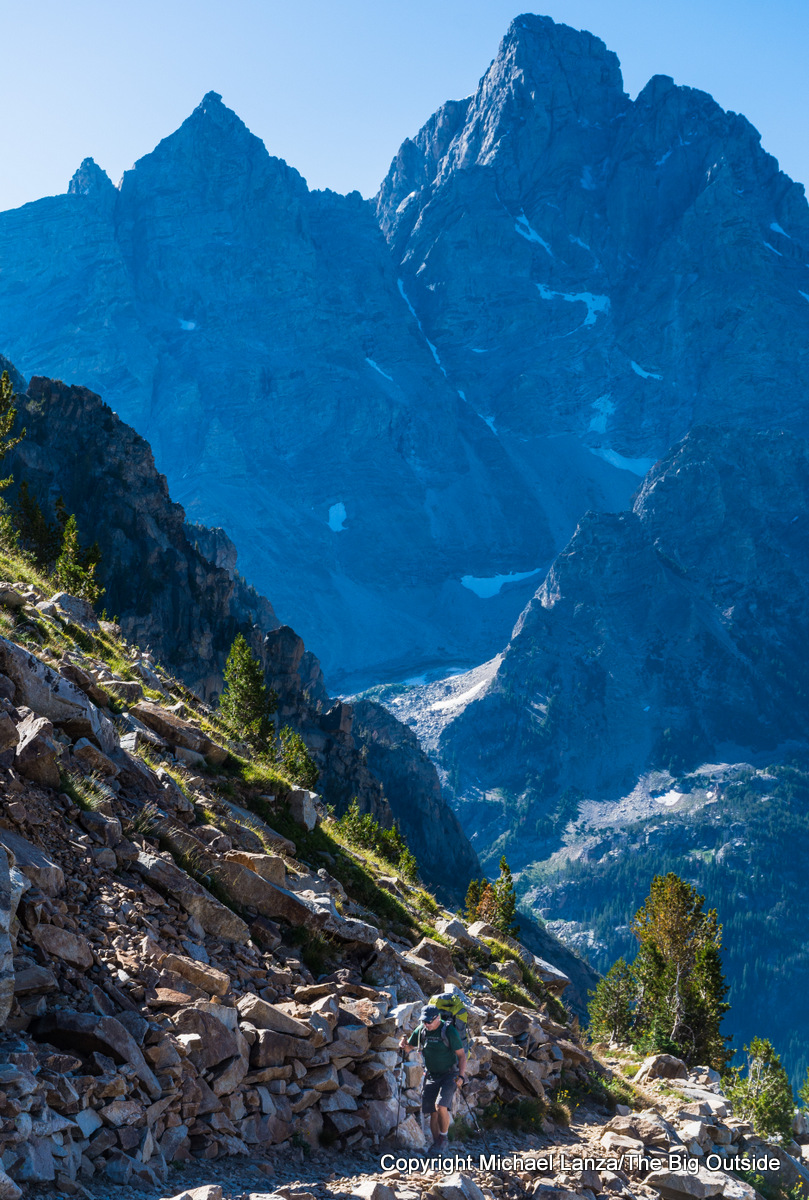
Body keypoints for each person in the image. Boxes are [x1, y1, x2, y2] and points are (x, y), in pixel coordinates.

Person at [399, 1002, 467, 1154]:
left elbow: (462, 1056)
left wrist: (461, 1076)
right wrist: (403, 1045)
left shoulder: (449, 1031)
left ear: (437, 1018)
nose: (426, 1024)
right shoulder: (422, 1030)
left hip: (450, 1074)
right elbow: (409, 1048)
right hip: (431, 1075)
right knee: (431, 1111)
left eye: (429, 1021)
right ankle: (437, 1144)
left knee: (440, 1106)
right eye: (424, 1021)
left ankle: (443, 1139)